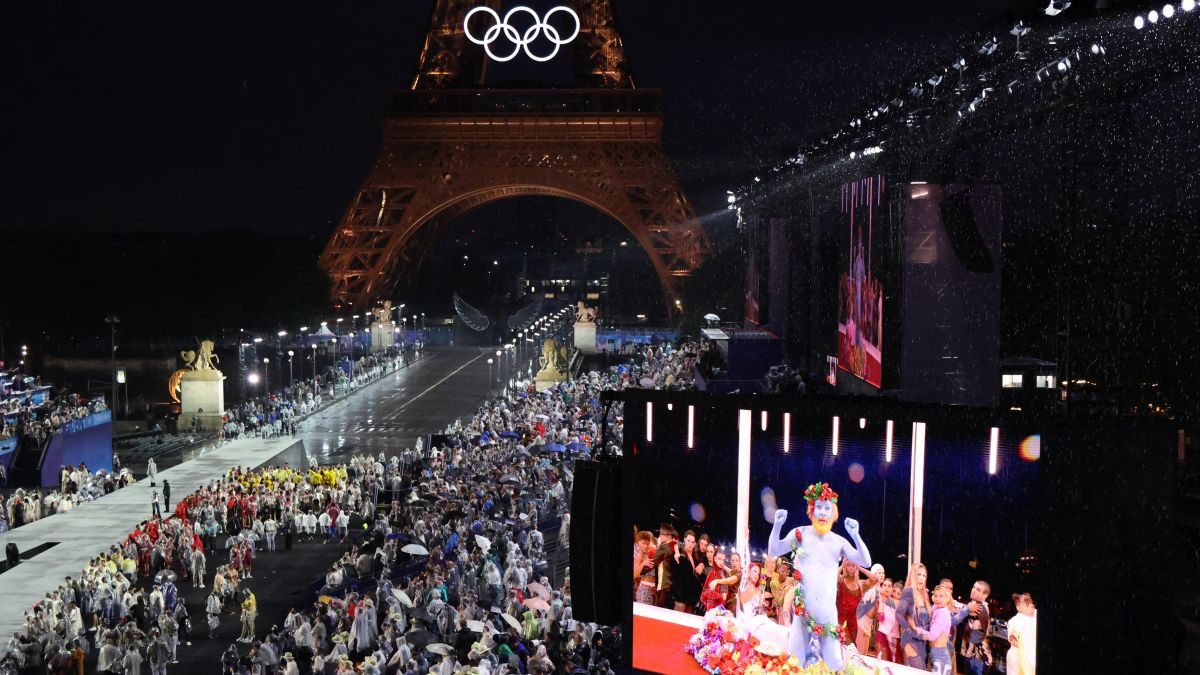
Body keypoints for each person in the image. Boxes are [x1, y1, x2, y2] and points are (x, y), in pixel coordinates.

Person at [766, 482, 871, 672]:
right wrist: (777, 526)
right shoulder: (801, 533)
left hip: (828, 617)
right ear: (811, 510)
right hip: (802, 614)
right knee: (794, 665)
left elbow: (865, 561)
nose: (823, 513)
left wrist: (856, 536)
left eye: (827, 509)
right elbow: (774, 549)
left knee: (835, 666)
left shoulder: (838, 541)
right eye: (819, 508)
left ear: (833, 513)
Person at [897, 563, 931, 670]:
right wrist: (910, 630)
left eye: (924, 576)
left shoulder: (924, 595)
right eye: (919, 574)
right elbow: (898, 614)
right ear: (913, 575)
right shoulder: (909, 591)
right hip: (910, 640)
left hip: (921, 642)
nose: (921, 578)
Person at [955, 580, 993, 675]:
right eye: (974, 587)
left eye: (978, 589)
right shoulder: (977, 605)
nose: (973, 590)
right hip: (974, 654)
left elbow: (957, 612)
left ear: (985, 595)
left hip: (977, 657)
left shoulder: (979, 607)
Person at [916, 584, 955, 675]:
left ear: (947, 598)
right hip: (937, 653)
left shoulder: (943, 613)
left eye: (941, 596)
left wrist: (917, 630)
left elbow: (933, 635)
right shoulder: (937, 608)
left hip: (940, 655)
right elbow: (929, 608)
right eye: (936, 595)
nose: (937, 598)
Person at [1007, 593, 1036, 675]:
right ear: (1018, 607)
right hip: (1017, 656)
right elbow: (1012, 637)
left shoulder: (1034, 619)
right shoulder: (1015, 621)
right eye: (1027, 606)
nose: (1031, 609)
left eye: (1032, 606)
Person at [632, 531, 656, 605]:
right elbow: (634, 575)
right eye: (643, 543)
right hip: (644, 591)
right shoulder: (639, 556)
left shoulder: (647, 554)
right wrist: (643, 564)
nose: (645, 546)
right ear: (638, 543)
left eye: (647, 544)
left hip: (651, 590)